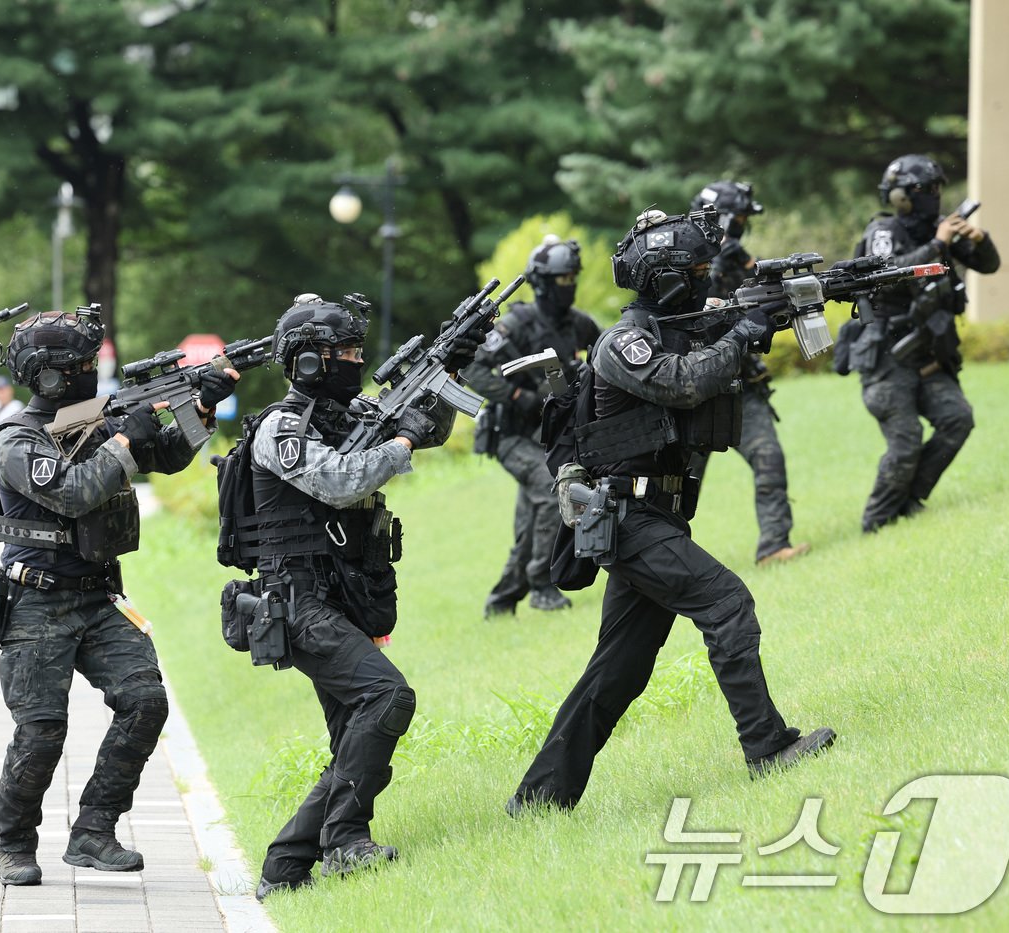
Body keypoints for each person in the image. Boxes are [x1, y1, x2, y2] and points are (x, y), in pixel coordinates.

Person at [508, 209, 835, 814]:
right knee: (726, 601)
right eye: (699, 269)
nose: (709, 277)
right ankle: (768, 747)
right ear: (667, 279)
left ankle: (538, 801)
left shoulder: (679, 324)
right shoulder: (624, 342)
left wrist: (761, 317)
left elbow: (709, 352)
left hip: (653, 516)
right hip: (626, 517)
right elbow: (683, 383)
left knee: (618, 672)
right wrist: (742, 333)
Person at [0, 307, 237, 886]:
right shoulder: (16, 440)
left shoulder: (95, 421)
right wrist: (124, 436)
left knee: (146, 701)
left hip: (98, 599)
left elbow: (167, 456)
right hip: (36, 602)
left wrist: (201, 407)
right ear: (48, 376)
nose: (92, 372)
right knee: (42, 730)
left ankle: (94, 830)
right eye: (80, 365)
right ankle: (15, 841)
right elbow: (72, 492)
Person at [250, 295, 477, 899]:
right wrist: (398, 443)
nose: (355, 362)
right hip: (297, 602)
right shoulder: (282, 427)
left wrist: (448, 372)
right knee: (386, 697)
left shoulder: (351, 414)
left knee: (355, 730)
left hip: (342, 596)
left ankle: (286, 866)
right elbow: (340, 483)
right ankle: (346, 843)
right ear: (306, 364)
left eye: (355, 352)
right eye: (343, 354)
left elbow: (423, 431)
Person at [845, 154, 1000, 532]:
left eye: (936, 189)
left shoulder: (939, 229)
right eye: (925, 190)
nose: (933, 196)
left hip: (928, 354)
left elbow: (989, 265)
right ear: (900, 197)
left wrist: (977, 239)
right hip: (887, 357)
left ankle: (910, 501)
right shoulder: (884, 231)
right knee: (907, 439)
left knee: (957, 419)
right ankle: (877, 523)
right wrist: (935, 245)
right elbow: (885, 273)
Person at [463, 236, 602, 617]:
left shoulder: (579, 324)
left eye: (573, 277)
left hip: (551, 438)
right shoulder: (517, 324)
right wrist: (513, 397)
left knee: (530, 527)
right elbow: (472, 365)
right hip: (513, 437)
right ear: (541, 281)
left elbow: (607, 353)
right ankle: (543, 586)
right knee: (549, 490)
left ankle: (502, 601)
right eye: (561, 278)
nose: (568, 285)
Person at [690, 180, 809, 565]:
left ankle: (774, 546)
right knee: (680, 485)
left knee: (768, 457)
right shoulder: (678, 260)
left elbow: (755, 305)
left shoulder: (737, 257)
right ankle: (658, 564)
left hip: (739, 383)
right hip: (692, 390)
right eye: (737, 218)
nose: (740, 226)